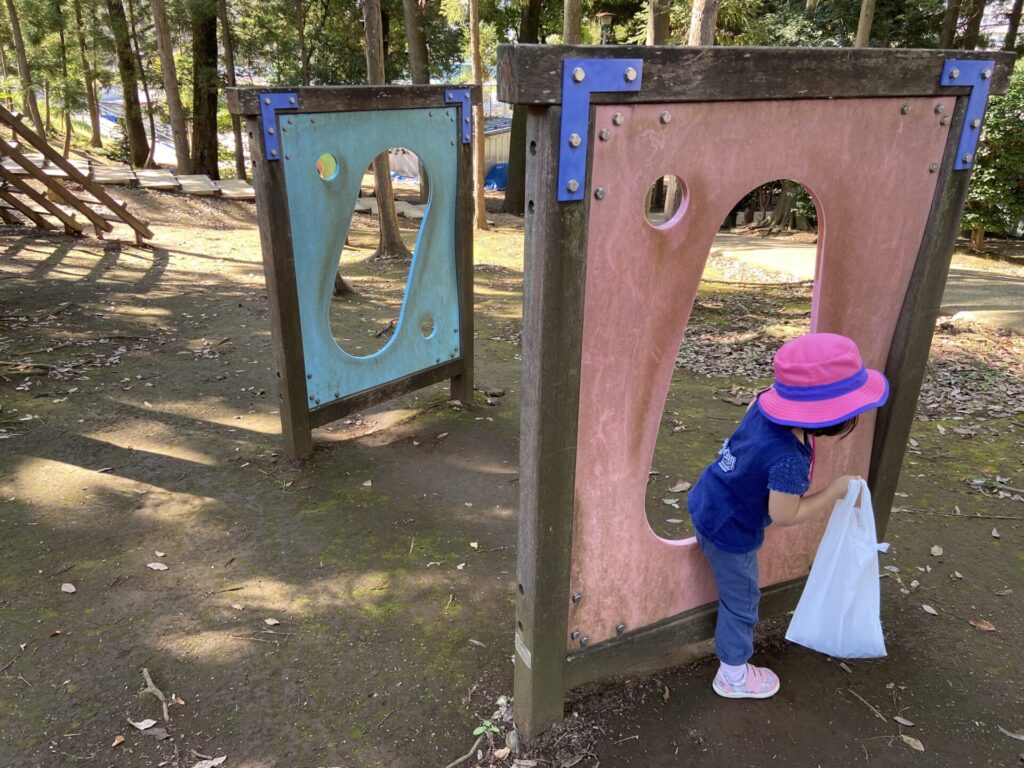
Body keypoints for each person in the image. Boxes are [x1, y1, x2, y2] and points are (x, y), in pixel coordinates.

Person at [687, 332, 889, 700]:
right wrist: (834, 492)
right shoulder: (789, 459)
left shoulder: (764, 402)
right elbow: (784, 513)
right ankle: (732, 673)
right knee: (742, 600)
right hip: (731, 529)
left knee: (734, 585)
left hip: (709, 495)